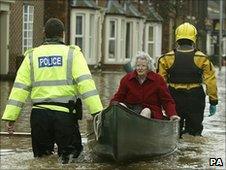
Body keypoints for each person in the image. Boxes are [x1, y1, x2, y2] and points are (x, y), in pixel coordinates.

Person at [1, 18, 103, 164]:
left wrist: (11, 117)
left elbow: (19, 89)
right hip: (65, 116)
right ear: (63, 34)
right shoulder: (72, 54)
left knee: (42, 160)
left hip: (39, 117)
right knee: (72, 160)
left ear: (44, 33)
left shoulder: (31, 56)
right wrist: (97, 114)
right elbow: (87, 85)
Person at [157, 22, 218, 137]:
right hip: (195, 98)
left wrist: (159, 102)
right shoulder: (202, 58)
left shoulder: (166, 58)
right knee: (194, 133)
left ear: (177, 38)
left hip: (174, 98)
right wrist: (213, 101)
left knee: (175, 131)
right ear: (194, 38)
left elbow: (160, 83)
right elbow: (211, 81)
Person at [110, 51, 180, 121]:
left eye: (143, 66)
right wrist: (112, 106)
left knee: (146, 111)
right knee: (120, 106)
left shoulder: (158, 79)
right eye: (138, 66)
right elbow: (118, 97)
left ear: (148, 67)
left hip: (150, 112)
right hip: (131, 110)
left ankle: (141, 130)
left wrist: (172, 114)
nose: (140, 68)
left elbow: (166, 101)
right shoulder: (127, 79)